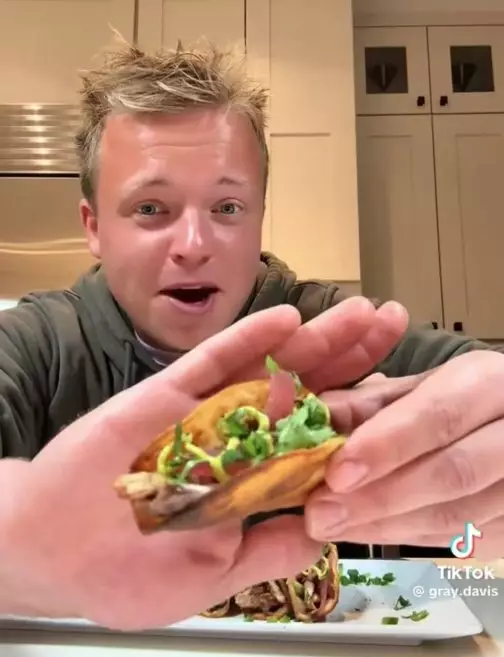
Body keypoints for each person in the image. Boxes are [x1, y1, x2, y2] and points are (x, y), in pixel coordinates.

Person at [0, 39, 502, 627]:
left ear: (259, 215)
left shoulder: (337, 338)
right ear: (93, 226)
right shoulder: (37, 343)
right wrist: (30, 546)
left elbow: (478, 386)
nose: (193, 246)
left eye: (227, 208)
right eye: (151, 209)